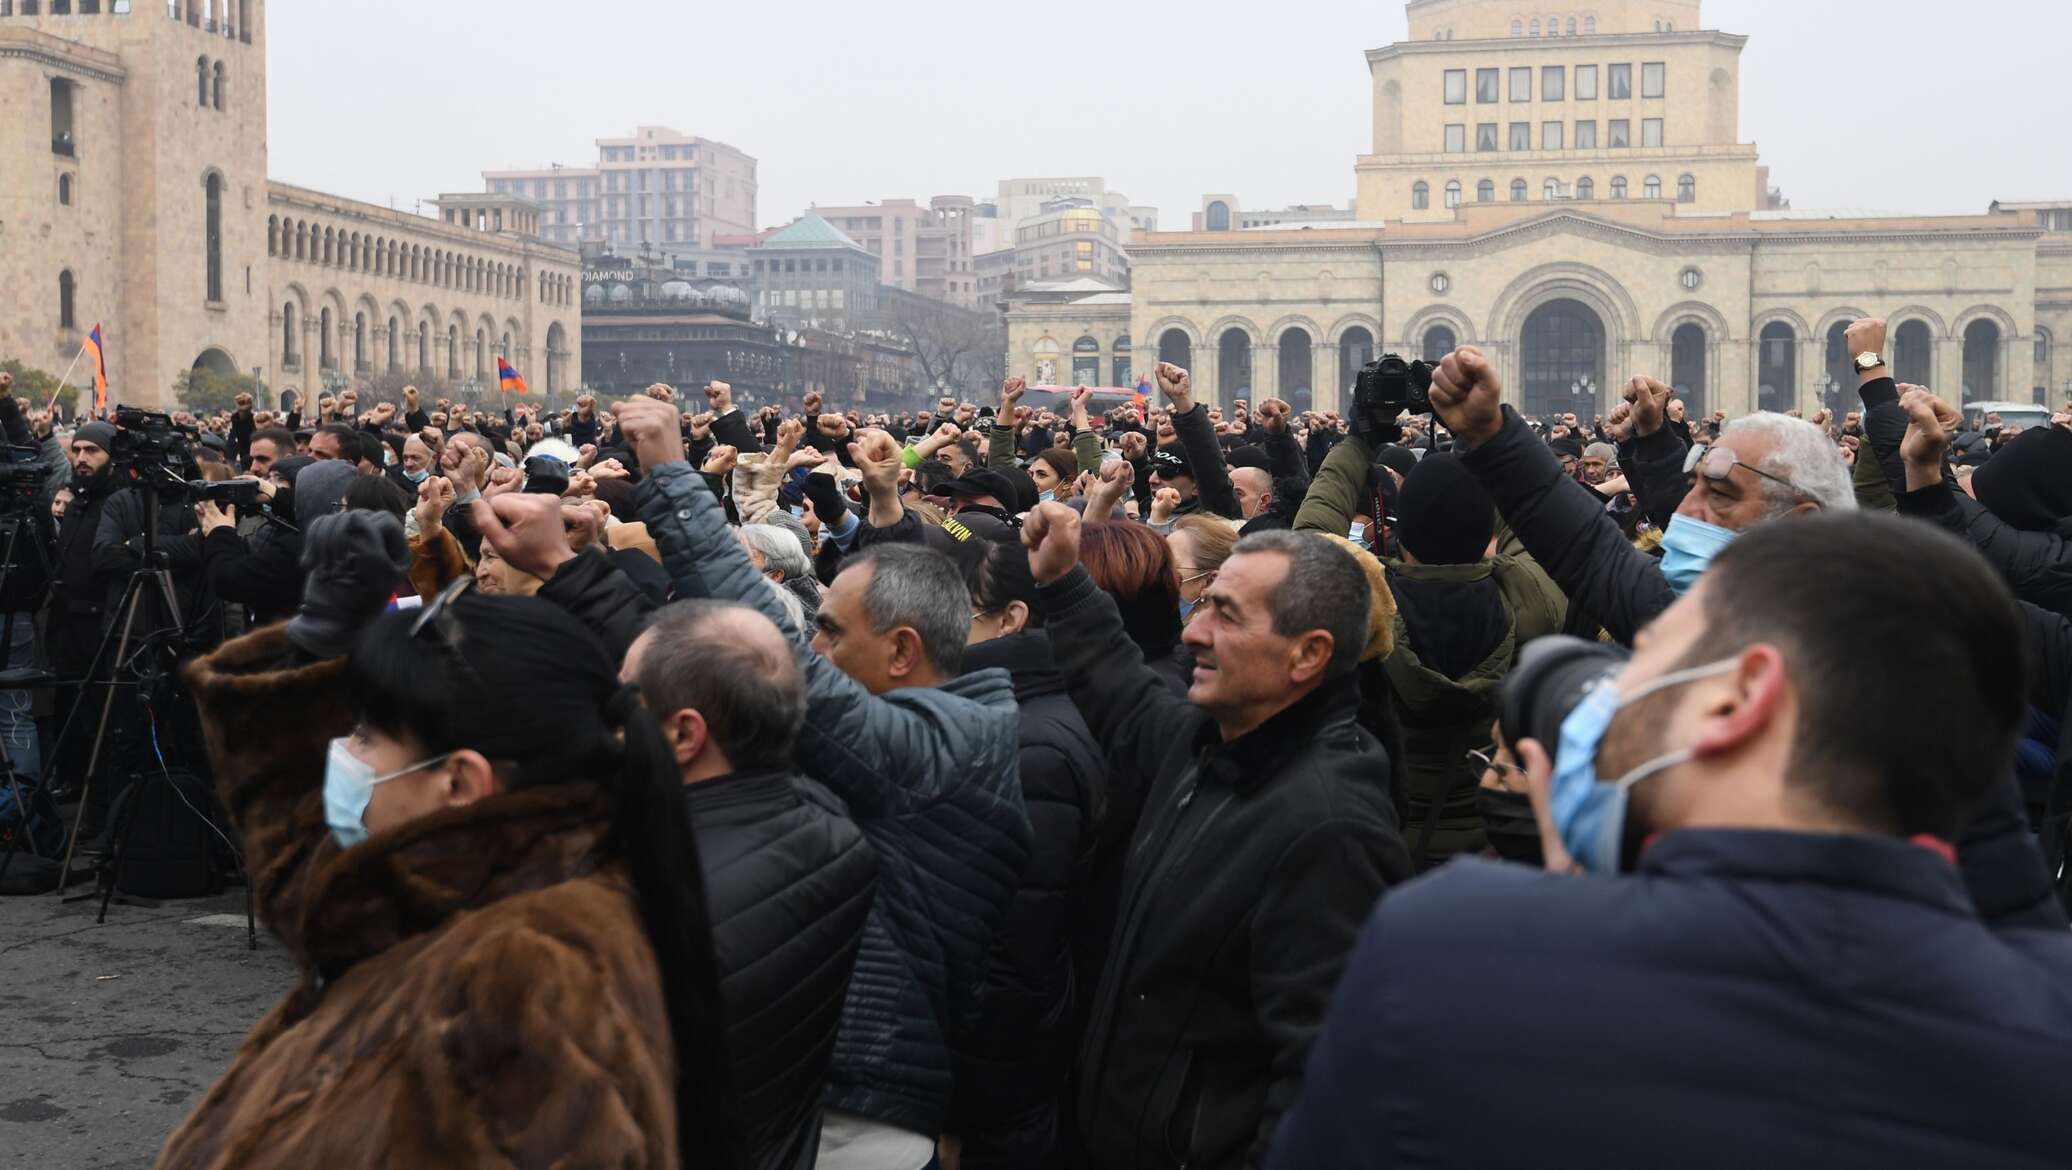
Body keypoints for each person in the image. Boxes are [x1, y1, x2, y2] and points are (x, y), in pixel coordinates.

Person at [1268, 514, 2072, 1170]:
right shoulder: (2043, 1020)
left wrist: (1567, 913)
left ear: (1738, 700)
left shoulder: (1447, 945)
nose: (1613, 689)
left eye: (1646, 658)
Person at [473, 395, 1030, 1170]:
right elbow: (700, 667)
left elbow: (760, 652)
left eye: (830, 631)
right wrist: (568, 570)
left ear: (902, 653)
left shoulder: (947, 753)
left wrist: (670, 472)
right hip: (805, 1090)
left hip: (857, 1122)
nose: (812, 645)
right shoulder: (905, 738)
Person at [157, 517, 737, 1170]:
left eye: (368, 737)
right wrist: (307, 649)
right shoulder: (468, 881)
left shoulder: (525, 975)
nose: (343, 755)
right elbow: (317, 893)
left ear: (460, 780)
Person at [1022, 508, 1411, 1170]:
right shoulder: (1207, 745)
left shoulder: (1329, 829)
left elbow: (1324, 1078)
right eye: (1201, 605)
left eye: (1225, 616)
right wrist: (1062, 580)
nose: (1193, 632)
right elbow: (1118, 684)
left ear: (1308, 654)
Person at [624, 600, 878, 1170]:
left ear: (684, 734)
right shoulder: (832, 825)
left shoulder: (658, 903)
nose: (608, 728)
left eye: (622, 705)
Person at [1428, 348, 1854, 646]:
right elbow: (1586, 546)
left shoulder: (1861, 679)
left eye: (1718, 494)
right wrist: (1490, 435)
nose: (1684, 512)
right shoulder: (1688, 615)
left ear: (1802, 526)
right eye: (1694, 486)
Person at [949, 539, 1108, 1170]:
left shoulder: (1024, 747)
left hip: (1003, 1085)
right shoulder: (1019, 712)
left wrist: (962, 1111)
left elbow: (1013, 954)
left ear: (1011, 619)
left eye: (955, 614)